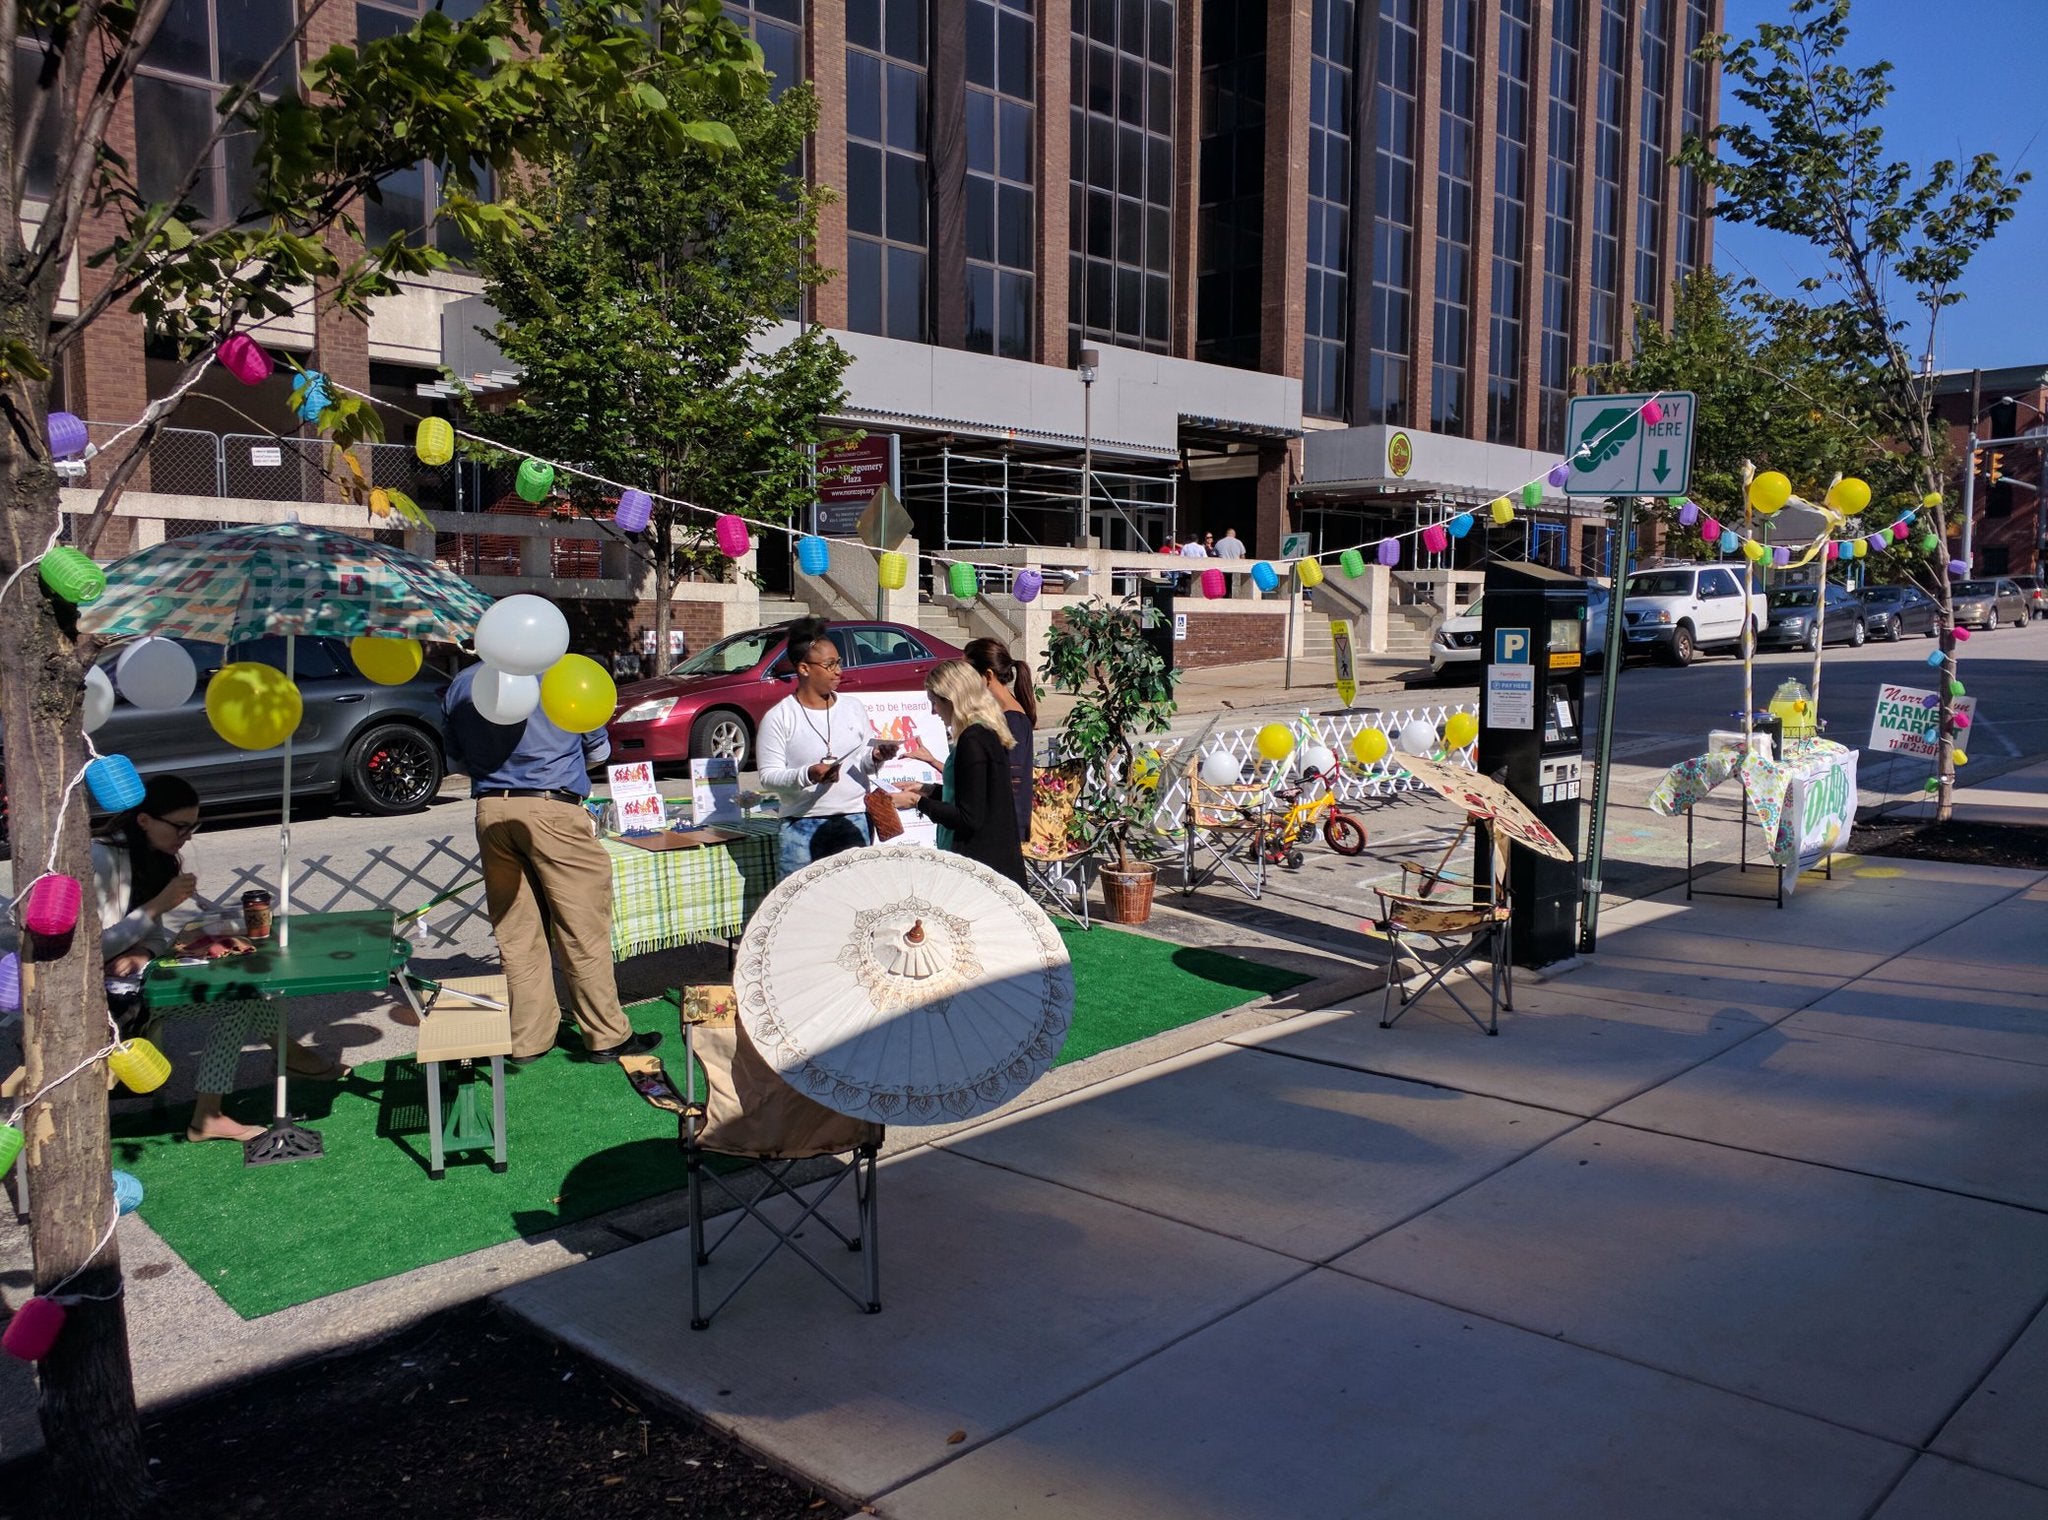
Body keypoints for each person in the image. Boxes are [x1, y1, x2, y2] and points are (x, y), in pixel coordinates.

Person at [93, 776, 344, 1142]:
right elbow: (92, 951)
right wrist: (159, 905)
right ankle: (240, 1093)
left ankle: (264, 1076)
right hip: (108, 1004)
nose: (188, 836)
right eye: (180, 826)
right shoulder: (100, 859)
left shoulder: (155, 857)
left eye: (193, 826)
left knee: (243, 993)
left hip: (141, 983)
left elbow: (156, 937)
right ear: (144, 820)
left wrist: (145, 950)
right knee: (239, 998)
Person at [444, 660, 657, 1065]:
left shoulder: (464, 681)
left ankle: (528, 1039)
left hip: (491, 809)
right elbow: (599, 750)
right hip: (553, 807)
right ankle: (607, 1035)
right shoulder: (567, 676)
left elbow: (455, 761)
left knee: (517, 932)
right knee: (582, 929)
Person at [756, 617, 887, 880]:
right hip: (801, 824)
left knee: (854, 906)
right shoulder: (780, 716)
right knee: (799, 908)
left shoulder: (853, 708)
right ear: (804, 668)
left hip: (854, 818)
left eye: (838, 662)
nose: (838, 671)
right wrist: (808, 774)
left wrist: (875, 757)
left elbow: (863, 763)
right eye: (829, 665)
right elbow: (768, 777)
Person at [892, 660, 1026, 886]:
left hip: (980, 866)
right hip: (992, 860)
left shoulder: (972, 740)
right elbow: (975, 796)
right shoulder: (984, 731)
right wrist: (926, 790)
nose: (933, 712)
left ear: (952, 700)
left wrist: (917, 802)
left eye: (934, 703)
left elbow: (968, 818)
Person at [963, 637, 1036, 843]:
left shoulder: (1013, 719)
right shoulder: (999, 713)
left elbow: (1011, 780)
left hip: (1003, 827)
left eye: (968, 673)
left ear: (987, 676)